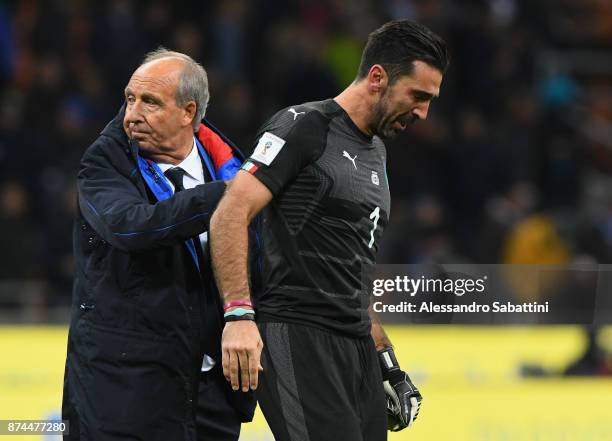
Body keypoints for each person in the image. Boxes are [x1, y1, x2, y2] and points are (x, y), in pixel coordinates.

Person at [209, 20, 449, 441]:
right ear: (378, 78)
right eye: (418, 96)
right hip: (298, 335)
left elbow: (356, 275)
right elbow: (229, 213)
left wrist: (386, 361)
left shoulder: (376, 152)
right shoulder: (303, 127)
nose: (423, 112)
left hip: (355, 347)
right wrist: (239, 316)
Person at [61, 49, 256, 441]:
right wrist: (226, 196)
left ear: (188, 112)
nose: (133, 114)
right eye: (130, 99)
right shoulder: (105, 163)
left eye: (150, 102)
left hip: (211, 397)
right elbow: (134, 228)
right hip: (125, 397)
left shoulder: (229, 164)